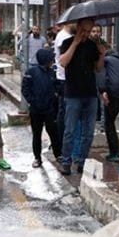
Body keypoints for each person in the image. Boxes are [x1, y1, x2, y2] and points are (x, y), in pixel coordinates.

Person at [58, 17, 106, 176]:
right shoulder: (67, 43)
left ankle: (81, 161)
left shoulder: (93, 45)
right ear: (77, 28)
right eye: (83, 30)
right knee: (70, 130)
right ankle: (66, 161)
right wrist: (75, 43)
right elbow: (63, 62)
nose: (86, 34)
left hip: (90, 94)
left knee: (88, 132)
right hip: (73, 94)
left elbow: (98, 69)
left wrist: (101, 55)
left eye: (89, 30)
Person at [21, 49, 61, 168]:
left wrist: (56, 97)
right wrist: (33, 101)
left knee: (54, 133)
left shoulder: (53, 72)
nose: (52, 61)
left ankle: (58, 155)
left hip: (50, 109)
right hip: (36, 110)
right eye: (50, 59)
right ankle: (37, 158)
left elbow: (57, 86)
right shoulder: (31, 72)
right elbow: (25, 89)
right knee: (37, 134)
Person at [53, 21, 73, 152]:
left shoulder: (63, 35)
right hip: (64, 79)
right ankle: (60, 144)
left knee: (64, 112)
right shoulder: (65, 37)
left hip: (65, 79)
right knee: (64, 113)